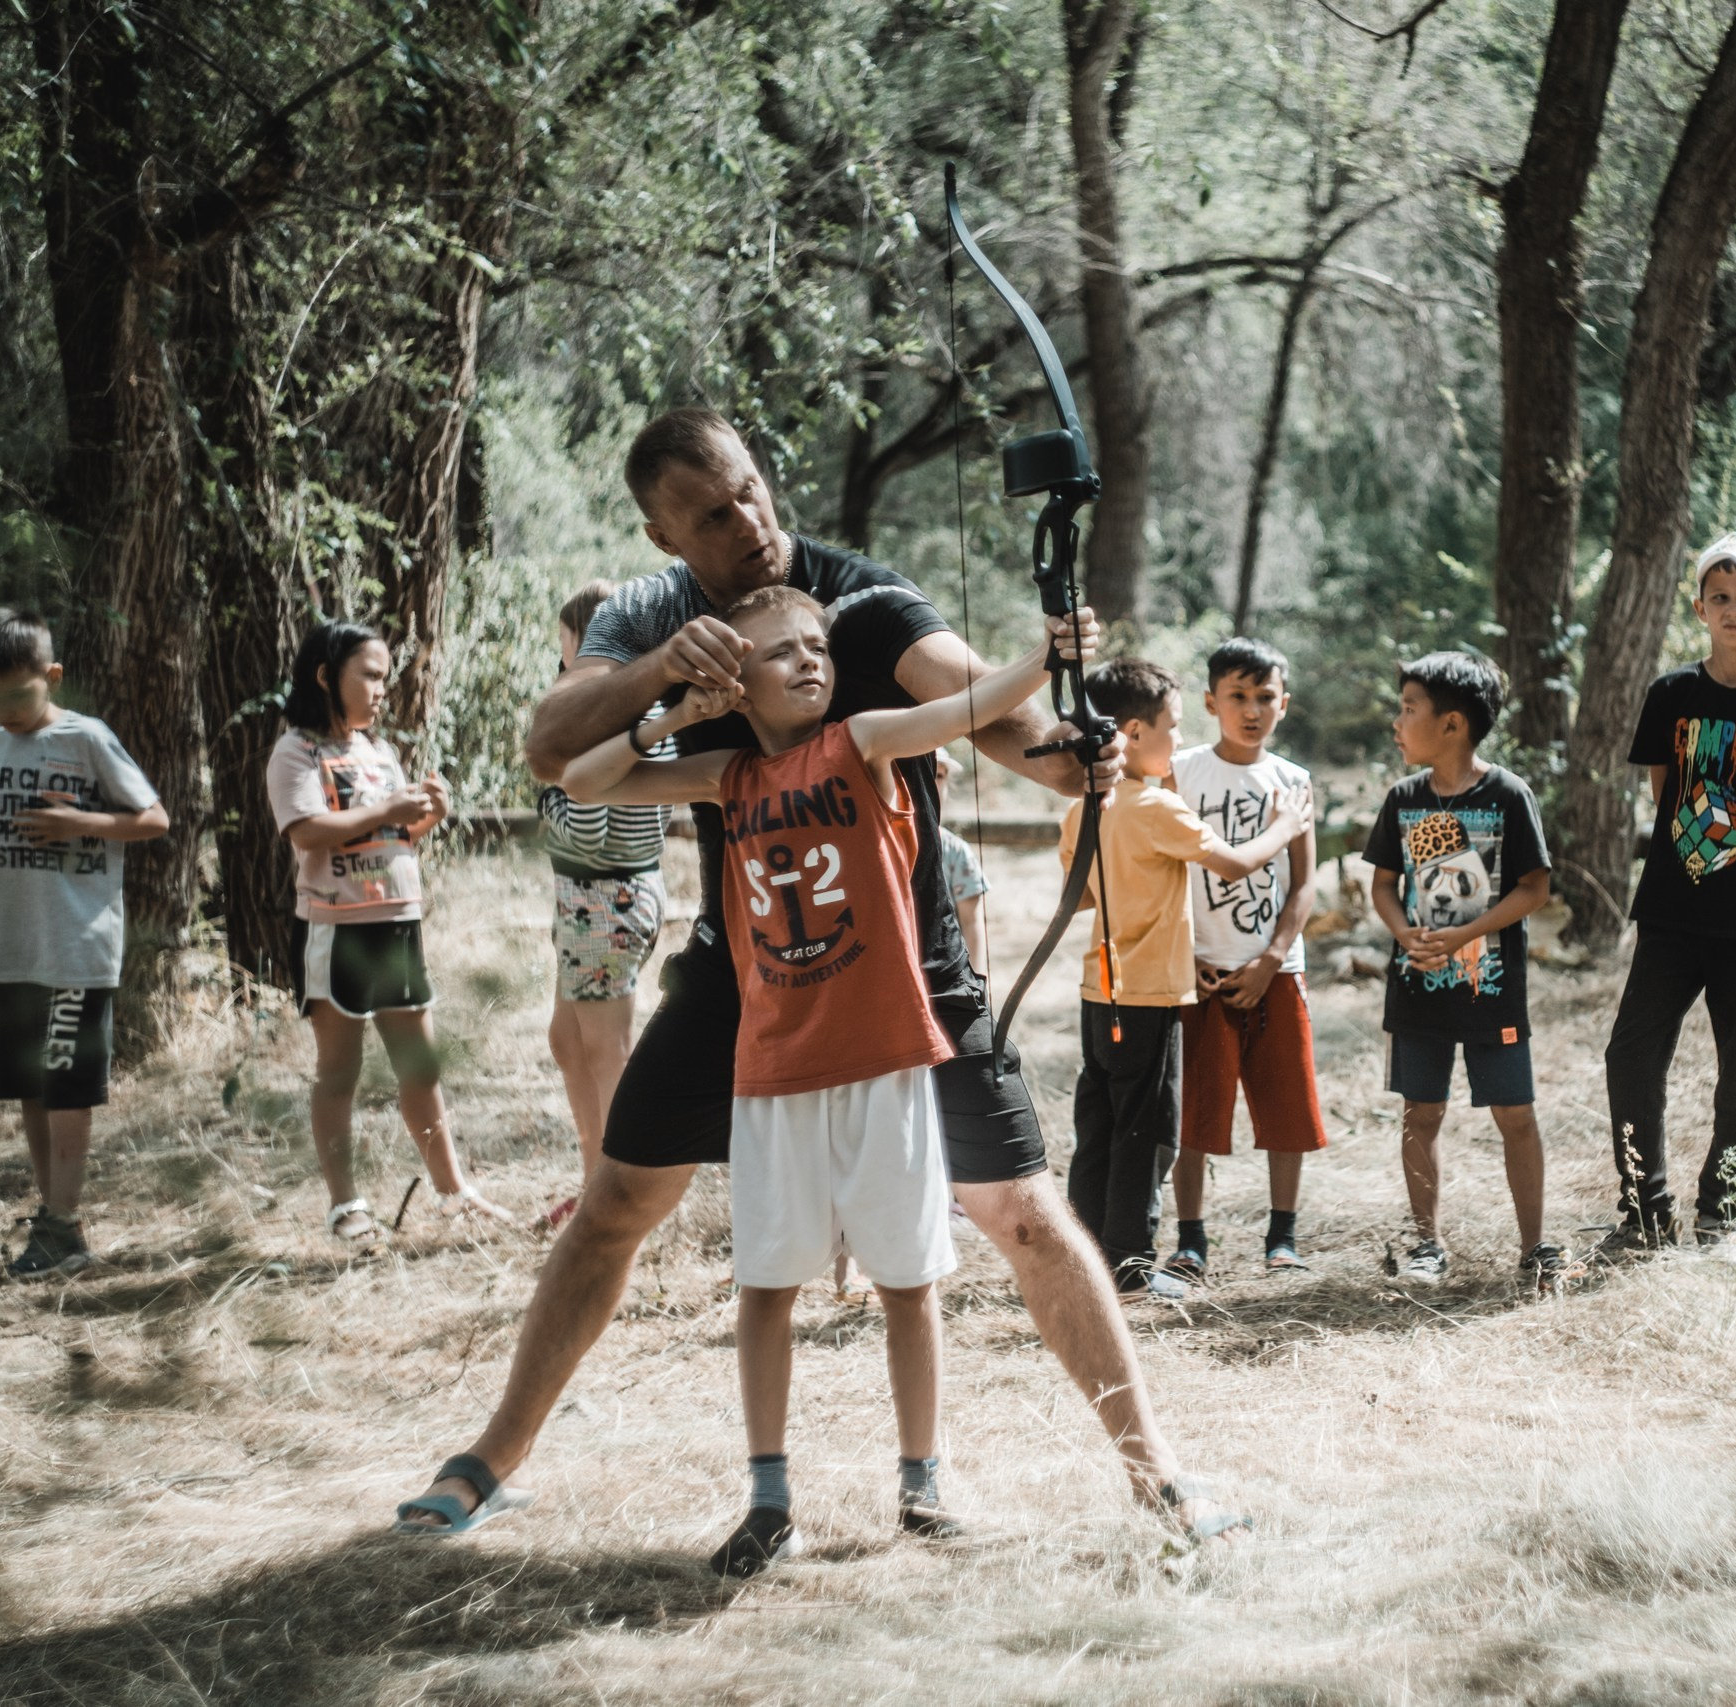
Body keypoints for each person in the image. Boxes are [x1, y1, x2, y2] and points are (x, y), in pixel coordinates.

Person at [400, 408, 1242, 1547]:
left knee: (1025, 1216)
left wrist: (1067, 746)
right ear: (662, 533)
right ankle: (492, 1460)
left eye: (748, 490)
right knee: (614, 1205)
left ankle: (1159, 1478)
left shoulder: (861, 603)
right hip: (748, 975)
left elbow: (996, 715)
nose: (745, 520)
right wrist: (663, 676)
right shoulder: (656, 617)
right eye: (709, 513)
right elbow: (556, 751)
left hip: (906, 966)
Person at [555, 583, 1069, 1570]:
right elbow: (587, 779)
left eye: (817, 644)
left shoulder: (866, 740)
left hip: (885, 1066)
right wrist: (672, 710)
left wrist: (1046, 657)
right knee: (767, 1285)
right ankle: (768, 1497)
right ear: (735, 681)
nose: (808, 660)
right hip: (773, 1076)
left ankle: (922, 1483)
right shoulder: (726, 774)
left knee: (908, 1282)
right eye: (780, 651)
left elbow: (963, 711)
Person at [1596, 536, 1736, 1257]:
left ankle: (1723, 1210)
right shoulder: (1671, 695)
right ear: (1698, 607)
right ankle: (1644, 1208)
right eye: (1720, 597)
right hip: (1670, 908)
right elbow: (1666, 796)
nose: (1735, 609)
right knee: (1631, 1056)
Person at [1060, 658, 1309, 1295]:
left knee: (1099, 1130)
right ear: (1134, 735)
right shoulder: (1158, 807)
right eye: (1171, 728)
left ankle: (1086, 1255)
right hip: (1149, 997)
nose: (1178, 742)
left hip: (1099, 994)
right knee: (1148, 1135)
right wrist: (1284, 826)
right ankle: (1133, 1266)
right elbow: (1231, 866)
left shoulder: (1085, 809)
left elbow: (1081, 896)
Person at [0, 610, 168, 1279]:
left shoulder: (86, 737)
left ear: (53, 676)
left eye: (20, 694)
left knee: (69, 1087)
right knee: (32, 1087)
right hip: (12, 940)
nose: (5, 709)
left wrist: (79, 822)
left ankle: (66, 1225)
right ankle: (51, 1214)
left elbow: (153, 817)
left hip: (77, 942)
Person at [268, 622, 508, 1243]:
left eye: (385, 677)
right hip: (335, 932)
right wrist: (391, 809)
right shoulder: (296, 751)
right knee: (339, 1073)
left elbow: (389, 837)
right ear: (325, 676)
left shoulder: (378, 751)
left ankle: (454, 1194)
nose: (382, 690)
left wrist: (426, 816)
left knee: (419, 1070)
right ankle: (346, 1206)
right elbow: (309, 832)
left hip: (398, 927)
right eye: (369, 675)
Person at [1363, 652, 1578, 1291]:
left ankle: (1535, 1246)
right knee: (1420, 1113)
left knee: (1515, 1114)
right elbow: (1381, 885)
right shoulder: (1404, 799)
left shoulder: (1508, 795)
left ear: (1452, 724)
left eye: (1409, 709)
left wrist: (1464, 934)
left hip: (1491, 991)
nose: (1397, 722)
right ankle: (1427, 1245)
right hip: (1418, 992)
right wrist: (1406, 935)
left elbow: (1534, 888)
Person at [1166, 639, 1328, 1279]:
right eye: (1238, 696)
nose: (1252, 709)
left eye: (1265, 697)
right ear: (1211, 702)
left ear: (1283, 704)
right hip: (1198, 969)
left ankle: (1281, 1238)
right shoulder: (1181, 771)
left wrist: (1274, 956)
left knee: (1287, 1108)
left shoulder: (1293, 782)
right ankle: (1190, 1241)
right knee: (1195, 1113)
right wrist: (1181, 953)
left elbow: (1305, 880)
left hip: (1274, 973)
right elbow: (1163, 869)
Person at [537, 581, 672, 1231]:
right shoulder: (642, 712)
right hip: (601, 897)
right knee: (569, 1039)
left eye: (566, 643)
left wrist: (561, 796)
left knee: (606, 1051)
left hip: (605, 897)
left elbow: (586, 833)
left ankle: (624, 1201)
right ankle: (596, 1182)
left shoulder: (613, 720)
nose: (563, 659)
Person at [931, 749, 988, 976]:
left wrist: (978, 983)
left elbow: (971, 924)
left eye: (939, 776)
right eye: (924, 773)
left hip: (946, 976)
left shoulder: (955, 851)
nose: (932, 783)